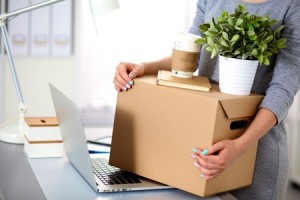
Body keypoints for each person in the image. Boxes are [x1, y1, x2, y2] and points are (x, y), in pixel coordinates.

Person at [113, 0, 300, 199]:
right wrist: (144, 67)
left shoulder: (291, 6)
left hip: (256, 150)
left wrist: (240, 145)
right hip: (204, 144)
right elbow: (188, 56)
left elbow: (283, 89)